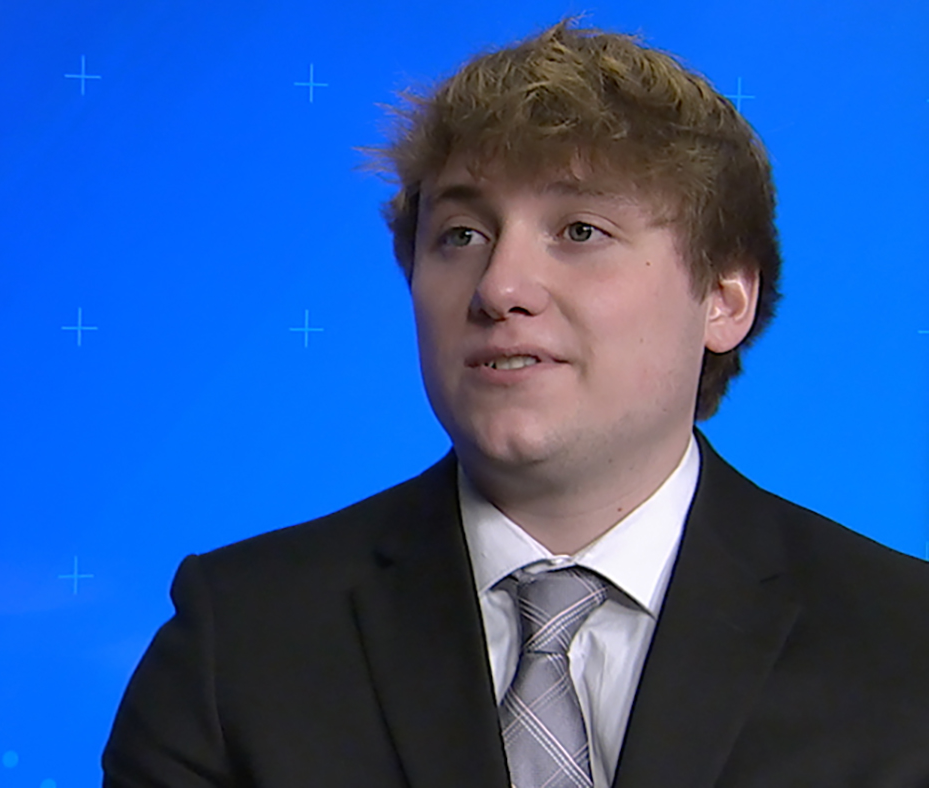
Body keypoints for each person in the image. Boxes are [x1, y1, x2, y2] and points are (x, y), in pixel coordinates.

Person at [102, 18, 929, 788]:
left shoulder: (904, 646)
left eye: (579, 232)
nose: (499, 288)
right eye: (461, 236)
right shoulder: (241, 641)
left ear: (724, 298)